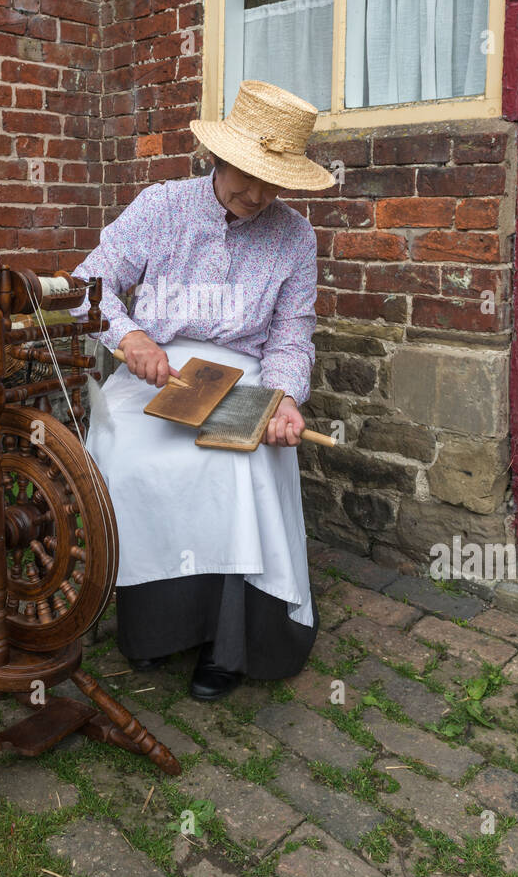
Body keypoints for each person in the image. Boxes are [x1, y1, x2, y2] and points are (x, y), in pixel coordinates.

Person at [71, 80, 335, 700]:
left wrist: (286, 399)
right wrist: (129, 337)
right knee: (132, 458)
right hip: (154, 370)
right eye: (246, 173)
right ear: (218, 156)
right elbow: (90, 285)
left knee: (234, 469)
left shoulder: (296, 239)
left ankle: (228, 645)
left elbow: (291, 338)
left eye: (273, 181)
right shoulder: (160, 207)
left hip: (243, 376)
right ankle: (156, 629)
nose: (257, 193)